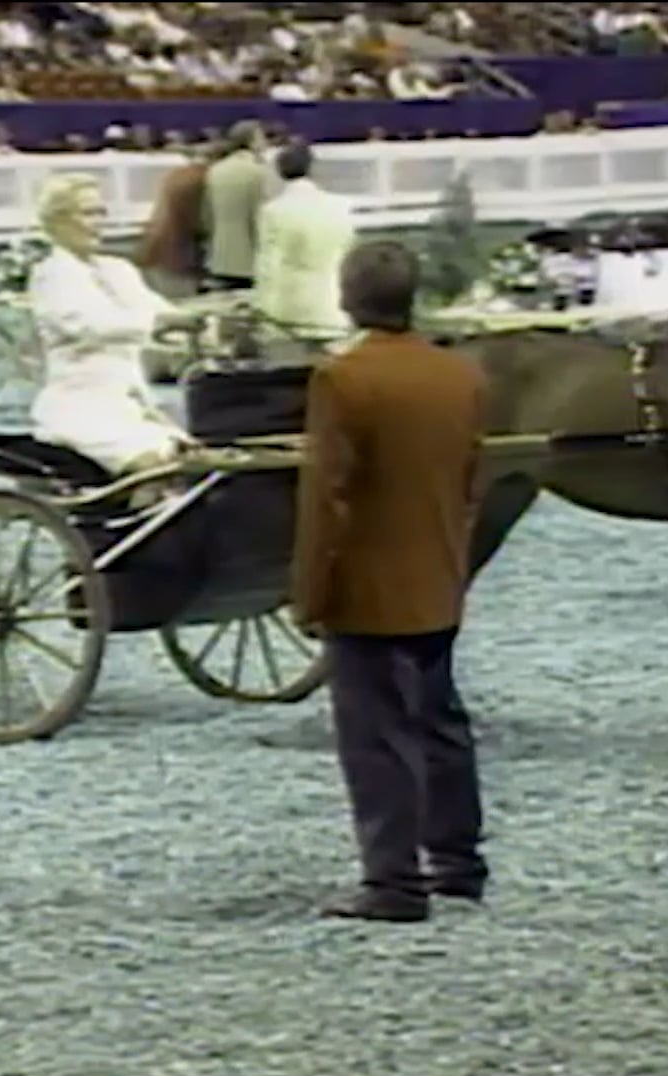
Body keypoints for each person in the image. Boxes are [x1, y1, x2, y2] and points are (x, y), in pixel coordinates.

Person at [291, 241, 492, 924]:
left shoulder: (342, 379)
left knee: (376, 736)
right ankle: (457, 862)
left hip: (368, 584)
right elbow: (470, 479)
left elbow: (329, 497)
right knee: (440, 721)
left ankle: (392, 882)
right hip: (435, 571)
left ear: (348, 299)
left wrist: (310, 590)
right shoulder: (459, 376)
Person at [25, 174, 199, 500]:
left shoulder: (117, 269)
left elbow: (157, 311)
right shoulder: (52, 274)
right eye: (87, 213)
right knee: (155, 464)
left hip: (129, 404)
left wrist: (204, 326)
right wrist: (161, 322)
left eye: (101, 213)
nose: (98, 223)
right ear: (58, 221)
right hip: (80, 408)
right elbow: (89, 326)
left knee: (192, 462)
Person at [253, 139, 357, 359]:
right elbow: (349, 250)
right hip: (332, 299)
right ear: (312, 169)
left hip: (289, 304)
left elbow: (268, 264)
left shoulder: (273, 211)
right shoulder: (341, 206)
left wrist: (262, 305)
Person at [136, 141, 215, 301]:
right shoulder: (204, 178)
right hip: (179, 256)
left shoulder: (175, 174)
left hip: (156, 251)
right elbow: (200, 222)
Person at [200, 120, 271, 292]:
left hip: (218, 259)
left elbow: (207, 215)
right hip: (247, 263)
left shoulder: (216, 170)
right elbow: (260, 218)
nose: (266, 143)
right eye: (262, 138)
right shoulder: (258, 172)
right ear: (251, 142)